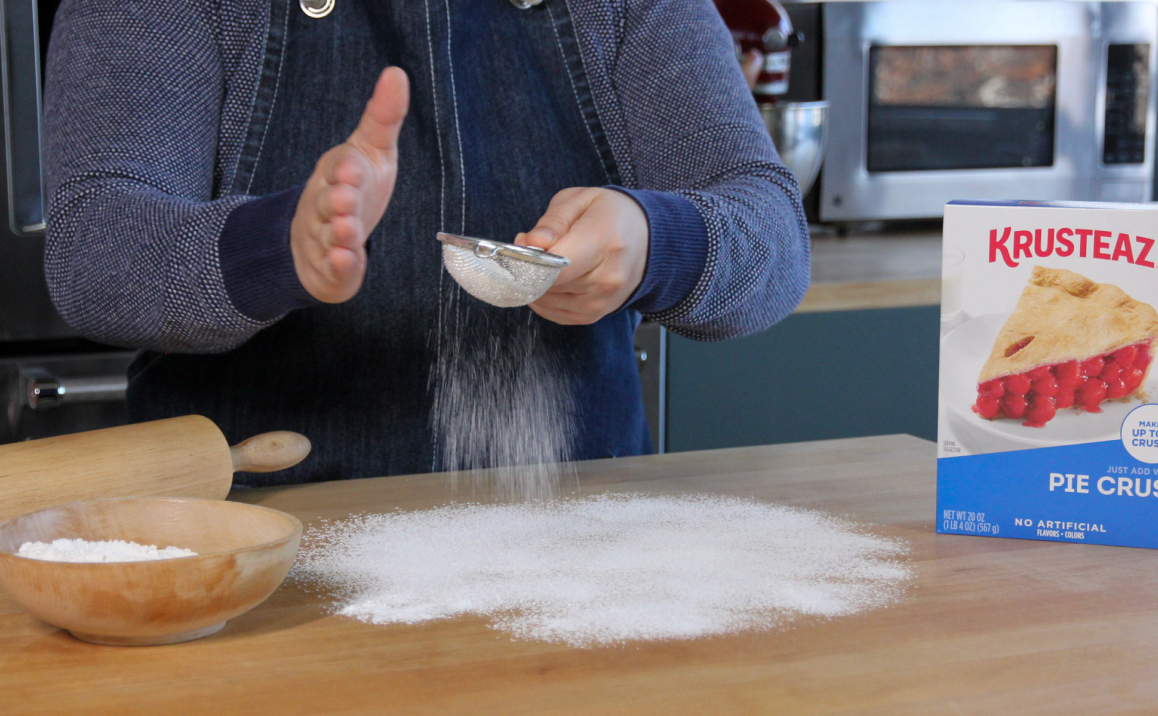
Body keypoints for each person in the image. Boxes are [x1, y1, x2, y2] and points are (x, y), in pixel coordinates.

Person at [43, 0, 810, 486]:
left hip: (581, 554)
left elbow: (772, 234)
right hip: (256, 555)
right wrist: (279, 246)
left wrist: (654, 241)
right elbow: (96, 249)